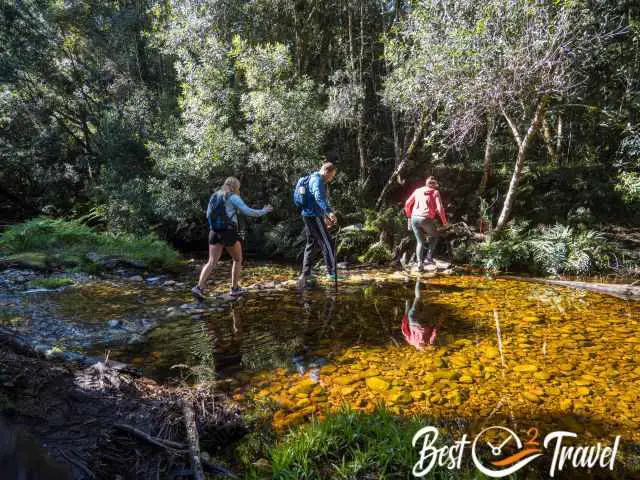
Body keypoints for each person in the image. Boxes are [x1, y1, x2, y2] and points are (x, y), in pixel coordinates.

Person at [192, 177, 272, 299]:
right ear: (235, 186)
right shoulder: (233, 197)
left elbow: (208, 214)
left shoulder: (215, 195)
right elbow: (248, 211)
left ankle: (199, 287)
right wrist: (264, 210)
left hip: (214, 231)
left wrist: (216, 227)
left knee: (211, 261)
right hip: (228, 232)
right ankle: (234, 289)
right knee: (237, 259)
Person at [296, 162, 341, 288]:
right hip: (313, 216)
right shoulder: (317, 181)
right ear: (326, 171)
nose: (331, 179)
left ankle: (306, 273)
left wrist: (325, 216)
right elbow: (319, 198)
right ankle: (332, 272)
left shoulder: (311, 178)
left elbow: (315, 200)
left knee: (311, 243)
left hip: (307, 214)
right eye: (332, 176)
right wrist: (329, 212)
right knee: (327, 242)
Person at [404, 176, 447, 272]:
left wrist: (409, 217)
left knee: (420, 241)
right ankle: (428, 258)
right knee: (435, 236)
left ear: (426, 184)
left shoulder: (417, 191)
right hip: (426, 218)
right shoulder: (435, 192)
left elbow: (407, 204)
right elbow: (440, 208)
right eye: (435, 185)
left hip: (414, 217)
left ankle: (419, 263)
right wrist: (444, 222)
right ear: (434, 185)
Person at [401, 278, 439, 350]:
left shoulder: (428, 342)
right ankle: (418, 280)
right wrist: (405, 319)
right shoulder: (411, 342)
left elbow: (435, 332)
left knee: (429, 307)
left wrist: (439, 321)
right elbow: (405, 331)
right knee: (417, 298)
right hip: (412, 321)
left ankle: (423, 282)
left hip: (423, 323)